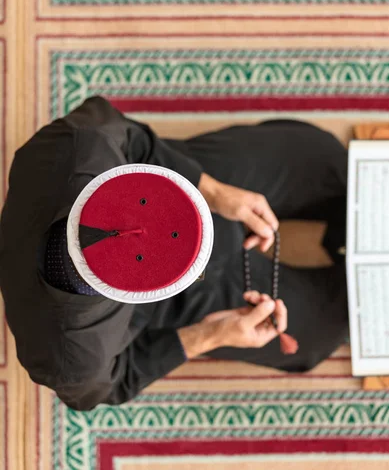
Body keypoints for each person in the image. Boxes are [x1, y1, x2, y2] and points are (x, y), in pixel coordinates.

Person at [0, 96, 349, 410]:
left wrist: (212, 192)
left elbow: (133, 137)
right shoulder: (72, 361)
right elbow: (116, 384)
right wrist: (210, 335)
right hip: (168, 308)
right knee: (319, 334)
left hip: (181, 186)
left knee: (323, 156)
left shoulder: (81, 143)